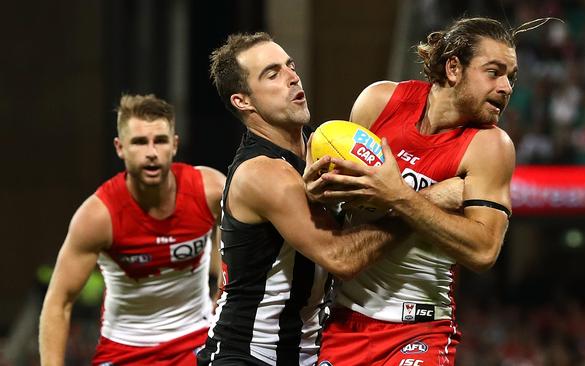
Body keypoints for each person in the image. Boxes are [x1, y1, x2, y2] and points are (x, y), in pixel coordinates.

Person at [197, 32, 464, 366]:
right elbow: (341, 258)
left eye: (290, 65)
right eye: (272, 74)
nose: (292, 77)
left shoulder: (326, 147)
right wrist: (421, 202)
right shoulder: (262, 172)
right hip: (247, 355)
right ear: (243, 101)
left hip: (310, 353)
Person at [307, 17, 534, 366]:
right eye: (494, 72)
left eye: (511, 77)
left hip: (418, 329)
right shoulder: (379, 101)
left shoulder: (491, 146)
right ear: (454, 67)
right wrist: (318, 190)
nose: (506, 87)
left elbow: (484, 250)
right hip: (342, 321)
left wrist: (400, 196)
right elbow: (340, 210)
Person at [39, 94, 226, 366]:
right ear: (120, 147)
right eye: (139, 142)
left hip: (198, 343)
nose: (151, 152)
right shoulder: (98, 216)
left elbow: (242, 248)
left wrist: (222, 298)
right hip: (125, 351)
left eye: (160, 141)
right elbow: (58, 303)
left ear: (174, 145)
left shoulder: (210, 190)